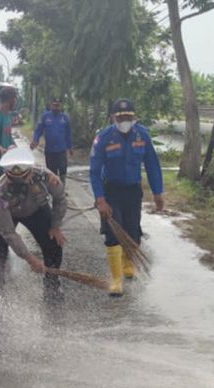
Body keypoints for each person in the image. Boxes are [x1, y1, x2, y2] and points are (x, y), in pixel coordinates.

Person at [89, 98, 165, 297]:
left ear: (134, 117)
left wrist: (158, 192)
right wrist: (100, 199)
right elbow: (94, 171)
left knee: (132, 230)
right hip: (111, 191)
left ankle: (128, 262)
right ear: (113, 117)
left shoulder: (143, 135)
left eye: (128, 116)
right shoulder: (103, 137)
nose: (124, 120)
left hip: (132, 191)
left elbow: (152, 165)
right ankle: (115, 279)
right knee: (113, 232)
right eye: (120, 116)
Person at [0, 147, 67, 303]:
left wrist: (55, 226)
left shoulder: (46, 177)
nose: (18, 183)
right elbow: (8, 232)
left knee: (53, 242)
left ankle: (52, 285)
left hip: (36, 210)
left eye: (22, 179)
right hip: (8, 212)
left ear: (30, 172)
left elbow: (60, 198)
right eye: (13, 180)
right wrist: (30, 259)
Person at [30, 97, 73, 184]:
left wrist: (70, 147)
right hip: (50, 150)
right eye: (54, 105)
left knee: (62, 171)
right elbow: (38, 130)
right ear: (51, 105)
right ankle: (53, 190)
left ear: (60, 106)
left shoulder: (65, 118)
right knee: (51, 172)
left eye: (58, 105)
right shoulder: (45, 117)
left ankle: (62, 189)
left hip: (61, 150)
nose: (56, 107)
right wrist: (35, 140)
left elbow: (68, 134)